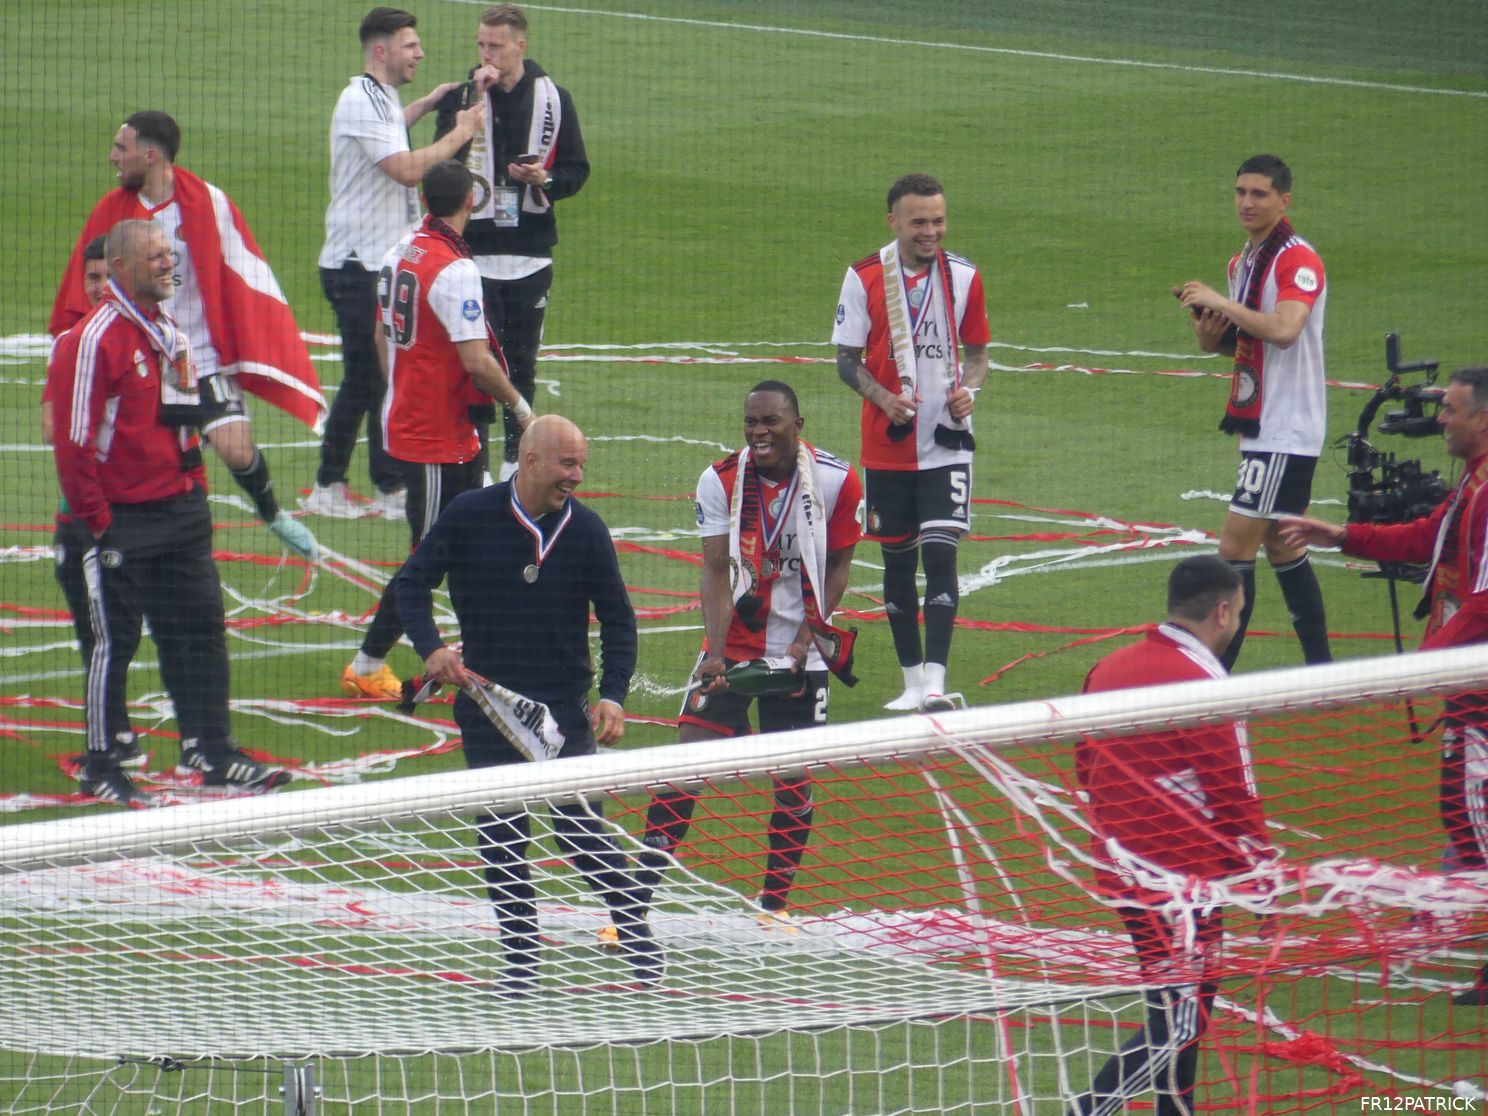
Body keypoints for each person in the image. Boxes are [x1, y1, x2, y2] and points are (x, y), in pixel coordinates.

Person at [393, 414, 659, 993]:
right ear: (531, 460)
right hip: (488, 709)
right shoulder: (469, 515)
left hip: (563, 711)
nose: (577, 476)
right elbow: (410, 584)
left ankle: (636, 933)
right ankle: (520, 963)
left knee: (580, 832)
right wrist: (432, 647)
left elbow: (618, 619)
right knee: (503, 838)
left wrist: (613, 695)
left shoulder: (586, 531)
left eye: (582, 465)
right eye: (568, 464)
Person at [49, 220, 293, 806]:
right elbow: (72, 444)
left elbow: (180, 428)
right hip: (121, 521)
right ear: (125, 266)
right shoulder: (91, 339)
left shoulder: (167, 330)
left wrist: (194, 501)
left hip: (179, 515)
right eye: (157, 256)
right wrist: (99, 524)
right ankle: (101, 762)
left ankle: (212, 750)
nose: (168, 264)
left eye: (169, 254)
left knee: (201, 632)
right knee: (115, 642)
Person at [1279, 365, 1488, 1006]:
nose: (1440, 420)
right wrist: (1341, 535)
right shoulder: (1473, 482)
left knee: (1471, 814)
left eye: (1451, 409)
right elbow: (1430, 539)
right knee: (1463, 811)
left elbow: (1485, 601)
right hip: (1465, 680)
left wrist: (1425, 665)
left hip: (1476, 683)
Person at [628, 381, 861, 930]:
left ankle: (774, 905)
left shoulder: (837, 479)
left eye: (770, 422)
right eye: (750, 423)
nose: (758, 433)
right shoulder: (721, 479)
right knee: (686, 763)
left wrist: (810, 635)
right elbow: (713, 569)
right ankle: (631, 906)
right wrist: (714, 649)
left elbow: (838, 566)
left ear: (797, 426)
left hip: (803, 647)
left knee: (794, 775)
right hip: (734, 644)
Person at [50, 111, 322, 563]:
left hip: (196, 360)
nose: (112, 157)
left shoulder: (208, 202)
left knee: (236, 449)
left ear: (151, 155)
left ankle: (272, 513)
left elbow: (244, 268)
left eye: (122, 148)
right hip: (133, 364)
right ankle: (77, 520)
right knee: (110, 449)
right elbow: (87, 281)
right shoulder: (112, 210)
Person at [1071, 556, 1274, 1115]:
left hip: (1122, 873)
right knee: (1184, 1019)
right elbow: (1234, 792)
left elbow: (1085, 767)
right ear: (1223, 610)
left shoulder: (1106, 668)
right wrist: (1262, 881)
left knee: (1175, 1007)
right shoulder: (1205, 680)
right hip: (1183, 880)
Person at [341, 161, 532, 700]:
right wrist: (522, 410)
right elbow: (475, 360)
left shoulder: (401, 249)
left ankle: (488, 647)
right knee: (425, 559)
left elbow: (383, 338)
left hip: (431, 427)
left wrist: (402, 385)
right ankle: (367, 661)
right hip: (431, 437)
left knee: (484, 535)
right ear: (470, 201)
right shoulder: (455, 269)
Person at [309, 6, 487, 520]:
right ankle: (331, 483)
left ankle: (382, 483)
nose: (420, 53)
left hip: (369, 264)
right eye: (411, 45)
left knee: (379, 376)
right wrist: (461, 129)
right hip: (356, 264)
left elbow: (389, 131)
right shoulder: (361, 99)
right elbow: (407, 169)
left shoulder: (377, 98)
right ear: (382, 51)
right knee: (367, 378)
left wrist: (425, 104)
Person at [832, 173, 989, 712]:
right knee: (898, 565)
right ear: (893, 220)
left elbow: (978, 353)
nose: (931, 231)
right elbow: (845, 361)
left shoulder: (965, 276)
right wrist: (882, 398)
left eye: (938, 220)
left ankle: (939, 685)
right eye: (919, 221)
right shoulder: (864, 276)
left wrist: (969, 389)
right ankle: (911, 682)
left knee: (941, 556)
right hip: (888, 445)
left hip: (947, 443)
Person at [1174, 154, 1331, 671]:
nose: (1247, 202)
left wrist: (1222, 300)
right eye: (1240, 191)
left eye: (1259, 194)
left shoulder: (1296, 259)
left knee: (1234, 546)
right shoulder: (1244, 261)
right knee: (1284, 549)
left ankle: (1217, 677)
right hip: (1266, 426)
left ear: (1284, 200)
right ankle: (1322, 671)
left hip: (1287, 427)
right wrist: (1211, 337)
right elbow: (1253, 344)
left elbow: (1285, 330)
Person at [433, 2, 589, 481]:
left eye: (495, 46)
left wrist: (543, 178)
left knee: (521, 364)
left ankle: (513, 466)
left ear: (520, 45)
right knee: (476, 368)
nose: (486, 55)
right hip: (472, 258)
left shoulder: (554, 99)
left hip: (529, 257)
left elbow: (576, 171)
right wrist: (467, 120)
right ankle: (474, 464)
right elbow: (440, 170)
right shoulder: (463, 97)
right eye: (481, 45)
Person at [42, 236, 143, 770]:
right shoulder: (73, 344)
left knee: (118, 634)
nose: (101, 288)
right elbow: (52, 427)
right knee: (104, 636)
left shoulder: (138, 338)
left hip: (125, 519)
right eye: (92, 279)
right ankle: (105, 748)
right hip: (84, 523)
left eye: (108, 276)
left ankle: (116, 729)